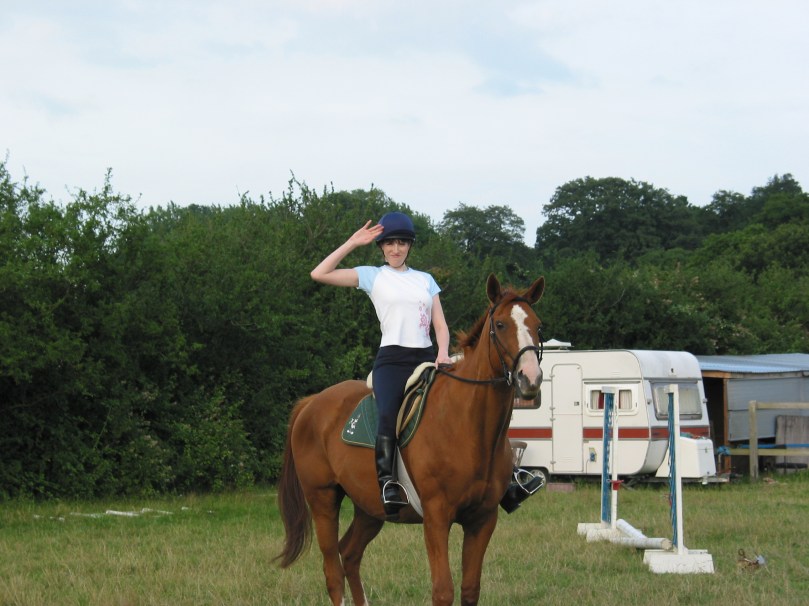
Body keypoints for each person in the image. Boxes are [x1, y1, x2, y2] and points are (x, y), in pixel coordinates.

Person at [311, 211, 453, 518]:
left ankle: (505, 479)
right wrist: (351, 242)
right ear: (381, 247)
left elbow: (440, 325)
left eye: (402, 243)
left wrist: (443, 352)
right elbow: (319, 273)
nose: (396, 249)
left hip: (427, 357)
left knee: (465, 403)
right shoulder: (372, 275)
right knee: (388, 413)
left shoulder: (425, 280)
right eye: (389, 244)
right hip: (392, 360)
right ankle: (388, 482)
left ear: (410, 246)